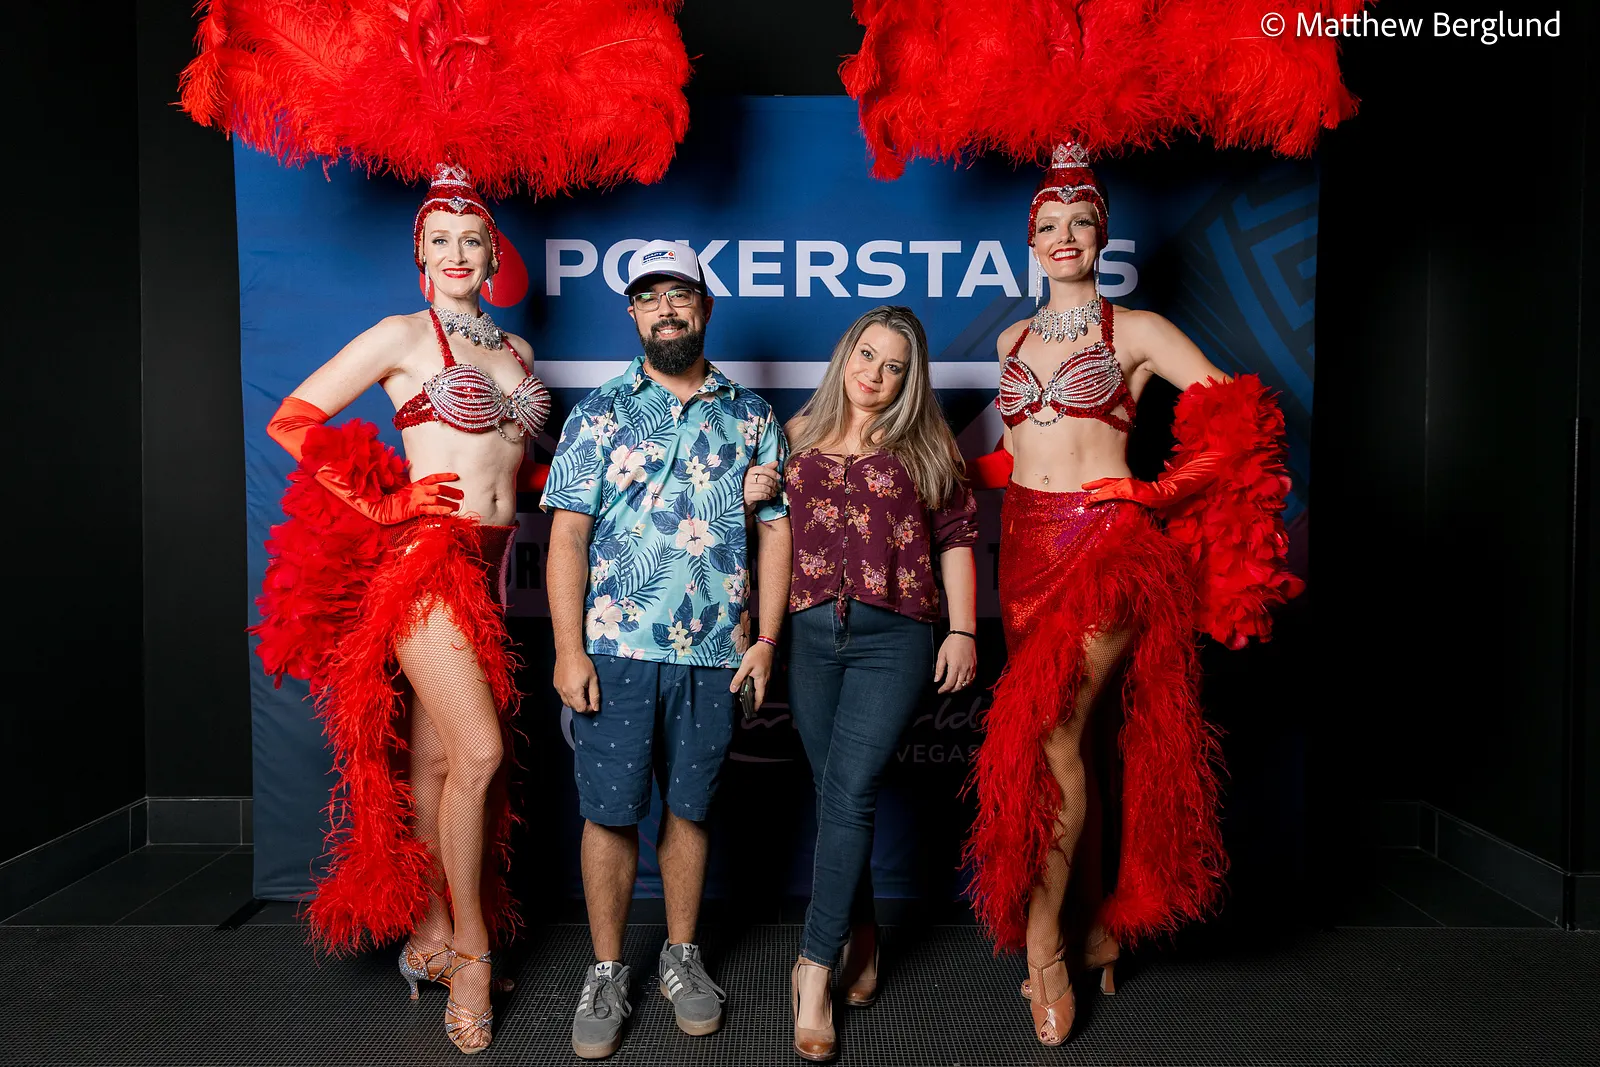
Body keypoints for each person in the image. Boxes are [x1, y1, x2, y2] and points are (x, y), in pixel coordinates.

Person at [964, 143, 1303, 1046]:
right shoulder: (1010, 342)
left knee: (1050, 734)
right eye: (1048, 224)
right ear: (1030, 242)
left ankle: (1044, 946)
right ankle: (1100, 927)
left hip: (1108, 546)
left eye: (1080, 221)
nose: (1064, 236)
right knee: (1076, 744)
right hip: (1022, 552)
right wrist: (935, 474)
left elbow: (1241, 414)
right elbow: (1015, 455)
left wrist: (1156, 491)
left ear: (1102, 235)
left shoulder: (1139, 330)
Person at [252, 166, 552, 1054]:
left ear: (492, 254)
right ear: (419, 254)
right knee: (483, 751)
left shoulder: (517, 352)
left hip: (493, 572)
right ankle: (473, 954)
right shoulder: (402, 335)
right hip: (428, 564)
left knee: (438, 760)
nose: (457, 254)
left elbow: (510, 468)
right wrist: (384, 505)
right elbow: (292, 420)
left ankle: (427, 932)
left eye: (472, 240)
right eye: (440, 241)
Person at [542, 241, 793, 1060]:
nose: (666, 309)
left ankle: (682, 956)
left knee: (690, 807)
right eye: (649, 297)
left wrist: (766, 640)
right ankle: (607, 969)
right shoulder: (598, 412)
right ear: (632, 313)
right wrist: (568, 649)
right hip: (615, 647)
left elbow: (776, 535)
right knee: (609, 812)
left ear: (705, 306)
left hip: (715, 652)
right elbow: (568, 538)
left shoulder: (751, 417)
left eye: (679, 293)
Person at [744, 305, 979, 1062]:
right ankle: (865, 935)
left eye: (894, 366)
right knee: (836, 794)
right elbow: (766, 531)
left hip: (894, 638)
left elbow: (957, 538)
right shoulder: (795, 433)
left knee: (850, 792)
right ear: (845, 354)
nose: (874, 374)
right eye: (866, 355)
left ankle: (813, 969)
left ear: (911, 379)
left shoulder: (926, 443)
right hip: (811, 638)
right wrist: (753, 491)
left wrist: (964, 630)